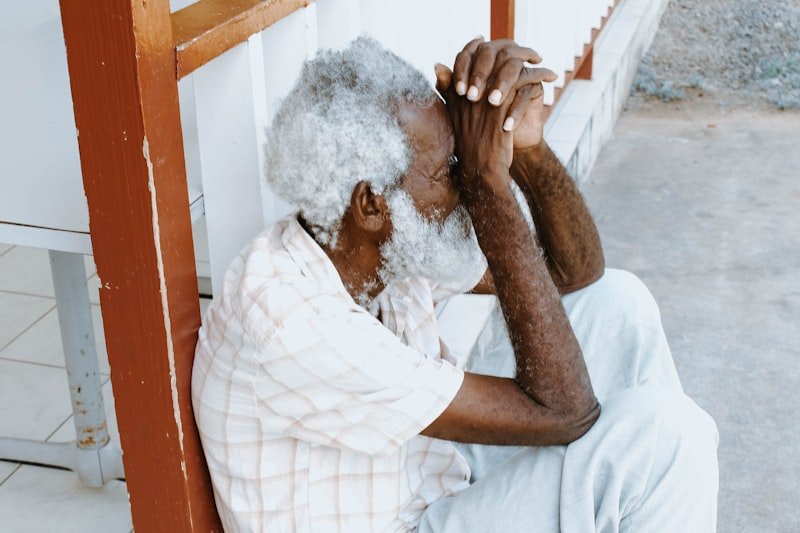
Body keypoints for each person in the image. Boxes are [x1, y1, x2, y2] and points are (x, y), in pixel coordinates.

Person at [191, 35, 719, 532]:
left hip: (429, 479)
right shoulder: (293, 323)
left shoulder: (369, 246)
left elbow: (572, 272)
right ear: (373, 204)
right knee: (665, 441)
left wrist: (526, 149)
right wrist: (490, 182)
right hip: (402, 521)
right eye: (449, 170)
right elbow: (564, 411)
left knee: (619, 303)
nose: (464, 182)